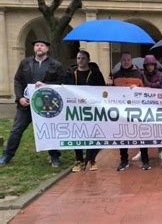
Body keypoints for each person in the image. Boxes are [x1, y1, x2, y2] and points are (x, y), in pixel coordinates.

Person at [0, 39, 64, 167]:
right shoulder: (25, 63)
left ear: (47, 49)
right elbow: (18, 80)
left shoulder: (56, 65)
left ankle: (54, 156)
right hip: (26, 104)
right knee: (16, 130)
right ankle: (7, 155)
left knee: (49, 131)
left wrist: (46, 85)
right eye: (36, 45)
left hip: (46, 106)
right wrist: (19, 98)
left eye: (42, 45)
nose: (39, 47)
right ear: (34, 48)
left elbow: (61, 83)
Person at [63, 50, 105, 172]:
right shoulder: (70, 73)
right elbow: (62, 87)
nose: (80, 61)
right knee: (77, 134)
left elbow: (102, 89)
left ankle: (91, 159)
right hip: (75, 109)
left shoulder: (96, 73)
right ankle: (79, 160)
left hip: (91, 109)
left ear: (88, 60)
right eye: (78, 58)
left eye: (83, 58)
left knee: (92, 133)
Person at [112, 51, 150, 171]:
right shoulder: (116, 75)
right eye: (124, 60)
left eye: (128, 59)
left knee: (141, 135)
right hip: (122, 111)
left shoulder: (139, 74)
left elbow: (147, 90)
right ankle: (124, 161)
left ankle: (145, 160)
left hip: (137, 110)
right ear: (120, 61)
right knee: (123, 135)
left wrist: (138, 89)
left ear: (131, 60)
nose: (126, 62)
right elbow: (112, 93)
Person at [132, 55, 162, 162]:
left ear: (155, 65)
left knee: (159, 129)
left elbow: (161, 86)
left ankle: (161, 150)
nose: (150, 67)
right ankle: (141, 151)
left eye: (152, 64)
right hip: (145, 106)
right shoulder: (141, 74)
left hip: (158, 105)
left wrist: (148, 85)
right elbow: (140, 86)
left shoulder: (161, 75)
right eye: (147, 65)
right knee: (143, 129)